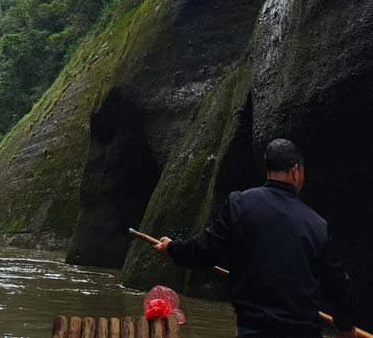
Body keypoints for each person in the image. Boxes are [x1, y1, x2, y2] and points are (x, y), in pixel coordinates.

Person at [153, 138, 356, 338]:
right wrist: (346, 328)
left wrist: (171, 249)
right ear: (296, 171)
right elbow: (338, 286)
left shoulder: (240, 205)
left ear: (268, 169)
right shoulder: (318, 225)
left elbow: (204, 250)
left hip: (254, 331)